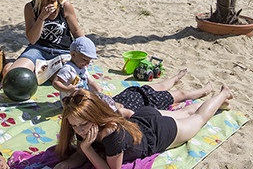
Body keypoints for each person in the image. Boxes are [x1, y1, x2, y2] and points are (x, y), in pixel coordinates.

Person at [46, 86, 232, 169]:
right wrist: (61, 165)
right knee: (186, 113)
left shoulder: (112, 134)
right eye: (74, 126)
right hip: (140, 119)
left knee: (198, 119)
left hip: (157, 134)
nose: (79, 131)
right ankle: (217, 104)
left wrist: (87, 148)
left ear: (95, 117)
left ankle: (224, 93)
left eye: (83, 125)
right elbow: (79, 154)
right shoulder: (86, 127)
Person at [51, 36, 215, 118]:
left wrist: (98, 90)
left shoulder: (81, 69)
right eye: (85, 59)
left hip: (131, 93)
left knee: (159, 85)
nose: (86, 63)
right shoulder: (114, 113)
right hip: (147, 102)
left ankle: (175, 77)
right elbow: (127, 114)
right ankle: (205, 89)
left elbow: (90, 81)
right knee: (179, 95)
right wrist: (70, 89)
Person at [3, 0, 84, 77]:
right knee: (14, 75)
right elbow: (32, 39)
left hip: (62, 52)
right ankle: (10, 63)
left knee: (68, 77)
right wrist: (41, 17)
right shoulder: (30, 8)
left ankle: (41, 72)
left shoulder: (65, 6)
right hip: (38, 50)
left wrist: (84, 51)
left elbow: (77, 32)